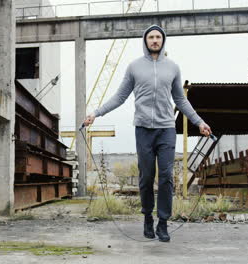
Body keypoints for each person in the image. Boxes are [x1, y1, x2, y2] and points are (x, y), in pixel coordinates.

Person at [83, 25, 212, 242]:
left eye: (158, 37)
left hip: (166, 129)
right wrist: (96, 113)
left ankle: (162, 223)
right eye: (151, 37)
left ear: (163, 41)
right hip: (143, 129)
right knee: (146, 178)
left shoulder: (172, 67)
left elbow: (180, 100)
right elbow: (119, 97)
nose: (154, 40)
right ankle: (147, 219)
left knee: (166, 177)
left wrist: (199, 122)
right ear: (145, 40)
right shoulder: (134, 67)